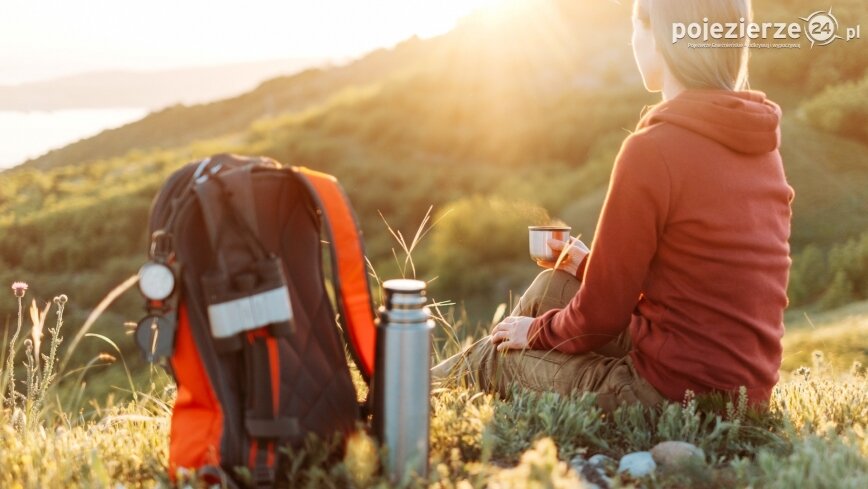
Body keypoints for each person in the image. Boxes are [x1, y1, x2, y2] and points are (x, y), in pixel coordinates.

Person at [432, 0, 793, 412]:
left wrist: (534, 332)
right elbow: (698, 282)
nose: (632, 39)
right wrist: (591, 268)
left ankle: (384, 403)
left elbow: (601, 317)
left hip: (669, 396)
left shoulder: (652, 150)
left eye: (635, 27)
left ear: (658, 38)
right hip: (744, 389)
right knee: (554, 286)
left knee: (494, 359)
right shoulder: (762, 149)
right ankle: (458, 381)